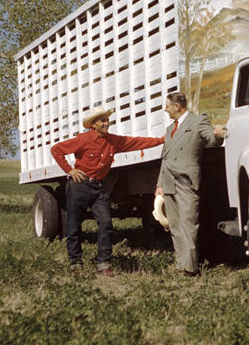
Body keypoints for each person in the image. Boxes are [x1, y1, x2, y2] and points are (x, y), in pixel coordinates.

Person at [50, 106, 164, 276]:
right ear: (93, 125)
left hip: (98, 188)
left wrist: (161, 140)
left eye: (107, 120)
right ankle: (75, 264)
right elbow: (56, 150)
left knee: (106, 223)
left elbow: (136, 142)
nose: (106, 123)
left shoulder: (113, 141)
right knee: (74, 225)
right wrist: (70, 170)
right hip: (79, 186)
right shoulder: (83, 139)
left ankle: (103, 265)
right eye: (102, 121)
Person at [154, 92, 227, 276]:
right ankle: (181, 264)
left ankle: (190, 268)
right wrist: (159, 184)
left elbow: (211, 139)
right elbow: (165, 157)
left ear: (177, 107)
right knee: (175, 225)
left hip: (186, 181)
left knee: (189, 224)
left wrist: (218, 135)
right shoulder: (170, 128)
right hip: (169, 181)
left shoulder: (197, 121)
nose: (165, 109)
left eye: (167, 106)